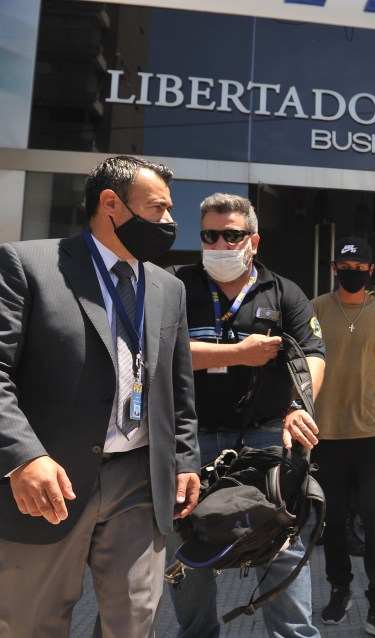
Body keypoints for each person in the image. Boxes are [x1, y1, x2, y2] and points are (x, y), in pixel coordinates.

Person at [0, 155, 201, 636]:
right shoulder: (28, 265)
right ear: (111, 204)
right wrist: (23, 457)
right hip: (51, 483)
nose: (170, 222)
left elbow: (178, 386)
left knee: (134, 623)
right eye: (158, 209)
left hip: (139, 479)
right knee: (32, 623)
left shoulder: (168, 288)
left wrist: (187, 459)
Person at [164, 193, 326, 638]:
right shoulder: (175, 285)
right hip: (189, 444)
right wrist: (239, 353)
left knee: (279, 545)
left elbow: (312, 354)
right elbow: (160, 351)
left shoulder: (284, 291)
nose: (220, 243)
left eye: (231, 235)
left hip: (266, 442)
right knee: (188, 552)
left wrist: (299, 406)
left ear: (253, 240)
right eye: (210, 235)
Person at [311, 236, 375, 638]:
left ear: (371, 271)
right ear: (335, 268)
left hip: (373, 434)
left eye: (359, 268)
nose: (351, 273)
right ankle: (340, 589)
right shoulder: (316, 309)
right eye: (345, 267)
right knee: (332, 520)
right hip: (326, 436)